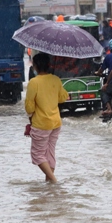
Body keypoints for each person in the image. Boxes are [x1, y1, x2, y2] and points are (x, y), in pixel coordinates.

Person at [24, 52, 69, 183]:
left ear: (36, 66)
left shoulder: (34, 82)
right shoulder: (56, 79)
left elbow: (29, 107)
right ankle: (48, 184)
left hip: (41, 124)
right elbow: (63, 97)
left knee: (37, 155)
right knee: (50, 153)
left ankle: (54, 181)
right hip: (56, 122)